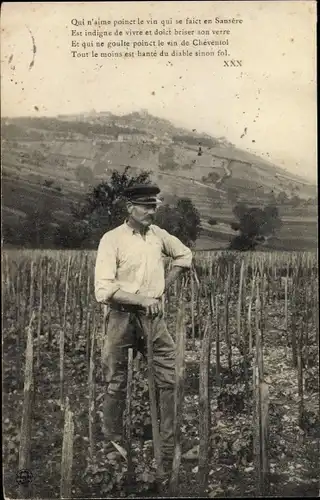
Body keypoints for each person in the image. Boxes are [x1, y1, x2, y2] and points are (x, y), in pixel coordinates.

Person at [94, 183, 192, 469]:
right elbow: (104, 290)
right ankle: (113, 443)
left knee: (170, 378)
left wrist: (161, 291)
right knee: (116, 382)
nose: (152, 211)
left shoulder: (159, 236)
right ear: (130, 208)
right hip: (121, 317)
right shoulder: (112, 239)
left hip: (153, 319)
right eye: (146, 207)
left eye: (154, 207)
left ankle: (169, 441)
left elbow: (185, 256)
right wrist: (141, 299)